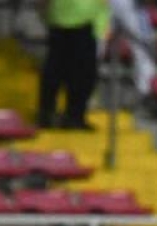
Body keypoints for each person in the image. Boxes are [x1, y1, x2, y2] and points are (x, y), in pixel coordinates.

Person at [37, 0, 110, 130]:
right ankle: (71, 116)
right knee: (80, 73)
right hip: (82, 18)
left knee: (56, 70)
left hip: (63, 17)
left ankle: (50, 114)